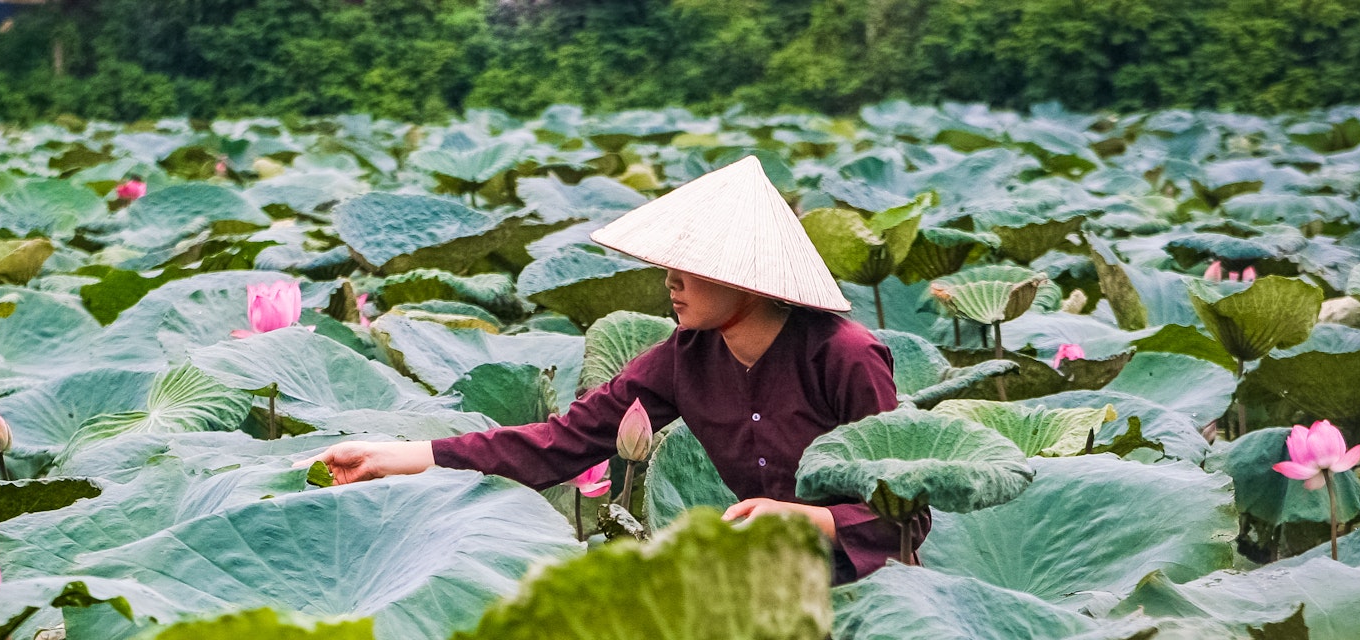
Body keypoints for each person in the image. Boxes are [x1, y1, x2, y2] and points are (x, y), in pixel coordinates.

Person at [301, 156, 925, 583]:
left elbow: (910, 518)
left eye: (692, 267)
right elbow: (559, 443)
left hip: (880, 593)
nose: (671, 282)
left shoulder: (844, 356)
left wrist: (810, 518)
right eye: (669, 265)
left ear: (749, 278)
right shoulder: (683, 359)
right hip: (767, 584)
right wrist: (398, 456)